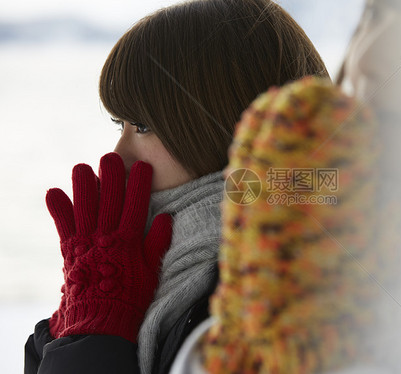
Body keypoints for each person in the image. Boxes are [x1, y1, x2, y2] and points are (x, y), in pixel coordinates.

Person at [24, 1, 329, 373]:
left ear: (223, 124)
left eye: (143, 126)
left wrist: (97, 337)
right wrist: (79, 313)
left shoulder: (274, 293)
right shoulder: (151, 259)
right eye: (119, 125)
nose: (117, 155)